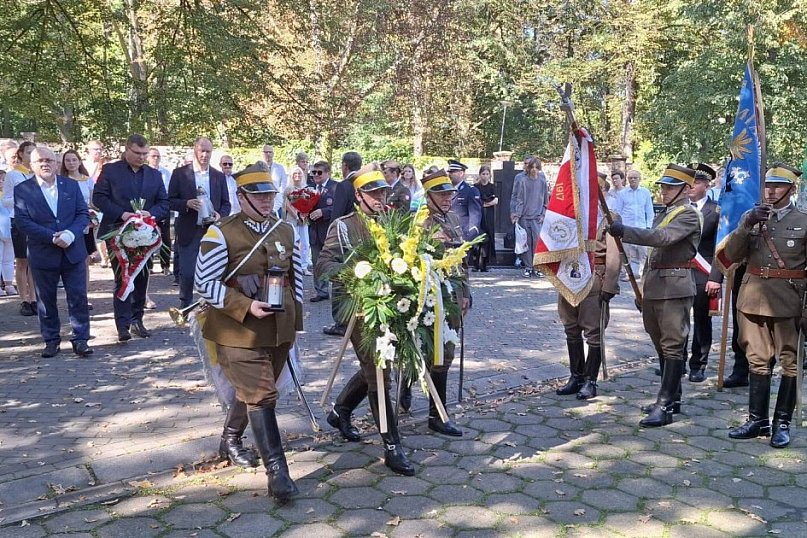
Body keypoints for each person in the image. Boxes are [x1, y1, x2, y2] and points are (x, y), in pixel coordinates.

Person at [195, 162, 303, 503]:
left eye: (270, 195)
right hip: (237, 330)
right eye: (259, 196)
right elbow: (204, 283)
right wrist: (244, 305)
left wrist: (297, 317)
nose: (267, 201)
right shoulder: (220, 232)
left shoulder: (286, 230)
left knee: (256, 390)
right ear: (241, 197)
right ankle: (278, 473)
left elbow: (296, 277)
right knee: (260, 393)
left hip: (279, 327)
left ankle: (230, 439)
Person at [317, 164, 414, 476]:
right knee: (379, 373)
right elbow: (323, 266)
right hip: (357, 310)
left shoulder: (391, 223)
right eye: (371, 193)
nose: (378, 198)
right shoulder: (343, 227)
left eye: (381, 192)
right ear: (358, 196)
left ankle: (341, 410)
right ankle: (391, 444)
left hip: (392, 308)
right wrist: (354, 277)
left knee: (376, 368)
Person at [609, 164, 701, 427]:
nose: (663, 191)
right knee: (660, 341)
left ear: (685, 189)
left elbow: (661, 238)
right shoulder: (668, 212)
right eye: (662, 186)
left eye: (670, 186)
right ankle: (673, 396)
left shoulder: (688, 215)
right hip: (655, 285)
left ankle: (665, 404)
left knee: (672, 344)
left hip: (675, 287)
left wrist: (625, 230)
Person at [721, 164, 805, 448]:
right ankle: (758, 420)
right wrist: (747, 226)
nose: (770, 190)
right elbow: (731, 255)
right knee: (757, 359)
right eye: (768, 185)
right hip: (752, 298)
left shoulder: (803, 220)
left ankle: (782, 422)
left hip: (788, 301)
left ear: (791, 189)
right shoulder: (752, 216)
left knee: (789, 362)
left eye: (778, 185)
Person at [14, 147, 92, 357]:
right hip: (43, 253)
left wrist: (70, 234)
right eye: (40, 161)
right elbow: (23, 222)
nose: (45, 164)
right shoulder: (23, 189)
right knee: (46, 300)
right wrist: (51, 237)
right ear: (32, 165)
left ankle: (81, 339)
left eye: (49, 160)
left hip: (72, 251)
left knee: (78, 298)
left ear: (57, 164)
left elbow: (82, 214)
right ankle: (51, 340)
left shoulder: (71, 185)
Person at [93, 134, 169, 341]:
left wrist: (150, 214)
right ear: (127, 149)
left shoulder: (154, 175)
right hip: (117, 233)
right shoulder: (111, 170)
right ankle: (123, 324)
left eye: (145, 154)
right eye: (137, 153)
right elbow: (98, 198)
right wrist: (122, 214)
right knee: (123, 276)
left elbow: (164, 203)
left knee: (142, 276)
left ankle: (137, 319)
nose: (141, 157)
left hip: (145, 234)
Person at [556, 185, 620, 400]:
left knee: (593, 331)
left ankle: (590, 381)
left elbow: (614, 254)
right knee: (570, 328)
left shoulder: (610, 218)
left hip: (595, 278)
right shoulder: (568, 217)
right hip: (569, 277)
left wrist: (609, 286)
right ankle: (576, 376)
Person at [419, 169, 471, 435]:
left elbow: (460, 259)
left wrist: (466, 293)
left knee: (445, 354)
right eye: (442, 194)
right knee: (437, 354)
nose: (448, 198)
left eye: (450, 193)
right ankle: (437, 414)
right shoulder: (420, 223)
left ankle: (435, 411)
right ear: (429, 197)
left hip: (452, 296)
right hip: (431, 299)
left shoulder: (452, 217)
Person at [168, 137, 231, 308]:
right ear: (194, 150)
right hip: (189, 229)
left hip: (213, 231)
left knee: (215, 271)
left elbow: (227, 204)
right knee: (188, 272)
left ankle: (212, 305)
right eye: (201, 150)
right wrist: (186, 204)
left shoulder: (218, 176)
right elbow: (169, 200)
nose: (204, 154)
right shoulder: (180, 174)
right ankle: (185, 304)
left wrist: (220, 215)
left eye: (208, 151)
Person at [686, 164, 720, 383]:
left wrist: (716, 277)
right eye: (689, 182)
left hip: (703, 271)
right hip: (679, 270)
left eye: (696, 182)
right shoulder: (679, 208)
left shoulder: (716, 210)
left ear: (706, 186)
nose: (691, 186)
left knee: (701, 321)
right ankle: (675, 361)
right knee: (676, 320)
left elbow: (721, 246)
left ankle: (698, 364)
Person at [325, 151, 363, 337]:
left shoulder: (344, 185)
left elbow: (337, 214)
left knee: (340, 281)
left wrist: (331, 236)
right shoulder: (362, 182)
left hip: (343, 239)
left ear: (345, 166)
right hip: (360, 239)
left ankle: (341, 322)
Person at [3, 141, 37, 315]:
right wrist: (22, 200)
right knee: (22, 260)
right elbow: (6, 199)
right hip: (19, 220)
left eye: (34, 152)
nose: (32, 156)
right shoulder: (13, 175)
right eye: (29, 152)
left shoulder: (38, 174)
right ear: (21, 154)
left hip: (38, 221)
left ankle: (34, 297)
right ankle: (24, 299)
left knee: (35, 261)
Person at [61, 150, 98, 307]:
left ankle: (84, 296)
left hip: (85, 224)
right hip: (67, 224)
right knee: (68, 262)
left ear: (79, 161)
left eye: (74, 159)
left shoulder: (87, 180)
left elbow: (93, 202)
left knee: (84, 260)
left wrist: (94, 216)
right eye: (67, 160)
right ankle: (71, 296)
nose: (71, 163)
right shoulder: (60, 181)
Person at [510, 157, 549, 277]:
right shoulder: (522, 180)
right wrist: (515, 214)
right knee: (525, 242)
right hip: (524, 216)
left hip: (537, 217)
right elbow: (518, 198)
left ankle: (538, 266)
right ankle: (528, 266)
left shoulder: (542, 180)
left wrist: (543, 214)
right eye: (532, 167)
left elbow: (546, 198)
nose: (534, 170)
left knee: (537, 242)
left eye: (536, 168)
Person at [616, 170, 655, 280]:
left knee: (643, 253)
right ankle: (629, 274)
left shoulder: (645, 192)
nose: (633, 179)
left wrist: (649, 226)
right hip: (627, 227)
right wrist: (620, 227)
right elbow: (618, 211)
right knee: (627, 253)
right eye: (631, 178)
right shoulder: (622, 194)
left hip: (642, 227)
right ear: (627, 179)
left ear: (639, 179)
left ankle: (643, 273)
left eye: (635, 178)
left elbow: (649, 210)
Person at [307, 160, 337, 303]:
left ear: (328, 173)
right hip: (314, 232)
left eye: (319, 172)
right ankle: (321, 291)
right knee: (316, 262)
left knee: (332, 262)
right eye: (314, 172)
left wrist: (323, 211)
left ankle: (338, 289)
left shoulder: (336, 187)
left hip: (329, 232)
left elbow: (340, 209)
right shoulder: (310, 188)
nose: (316, 175)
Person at [148, 148, 173, 275]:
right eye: (153, 156)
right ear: (148, 157)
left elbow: (170, 192)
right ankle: (149, 265)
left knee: (165, 238)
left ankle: (165, 265)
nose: (156, 158)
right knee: (148, 236)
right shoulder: (145, 172)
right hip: (149, 209)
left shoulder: (166, 173)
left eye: (158, 156)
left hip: (163, 208)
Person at [284, 167, 310, 275]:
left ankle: (304, 266)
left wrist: (304, 215)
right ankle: (292, 267)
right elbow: (287, 205)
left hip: (304, 219)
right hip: (292, 219)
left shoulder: (306, 188)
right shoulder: (289, 189)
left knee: (305, 243)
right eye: (295, 174)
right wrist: (296, 216)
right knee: (293, 242)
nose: (297, 176)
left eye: (299, 174)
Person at [448, 159, 482, 243]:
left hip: (463, 235)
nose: (450, 175)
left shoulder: (470, 191)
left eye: (453, 172)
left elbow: (475, 215)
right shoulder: (447, 190)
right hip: (448, 235)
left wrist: (470, 237)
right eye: (449, 172)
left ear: (461, 173)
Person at [474, 164, 497, 271]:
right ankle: (476, 263)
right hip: (478, 215)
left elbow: (496, 201)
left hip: (489, 215)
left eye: (487, 174)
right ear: (480, 175)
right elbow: (475, 201)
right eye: (483, 174)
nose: (485, 176)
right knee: (477, 238)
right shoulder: (475, 187)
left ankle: (485, 264)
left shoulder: (492, 187)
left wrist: (484, 204)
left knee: (488, 238)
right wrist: (484, 204)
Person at [0, 170, 16, 296]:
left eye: (3, 179)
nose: (1, 182)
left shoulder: (11, 195)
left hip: (10, 230)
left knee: (9, 259)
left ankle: (9, 284)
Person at [262, 145, 288, 217]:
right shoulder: (258, 167)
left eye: (270, 152)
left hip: (277, 202)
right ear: (262, 153)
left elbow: (283, 186)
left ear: (273, 154)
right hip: (262, 203)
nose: (268, 154)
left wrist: (277, 203)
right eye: (266, 152)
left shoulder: (280, 168)